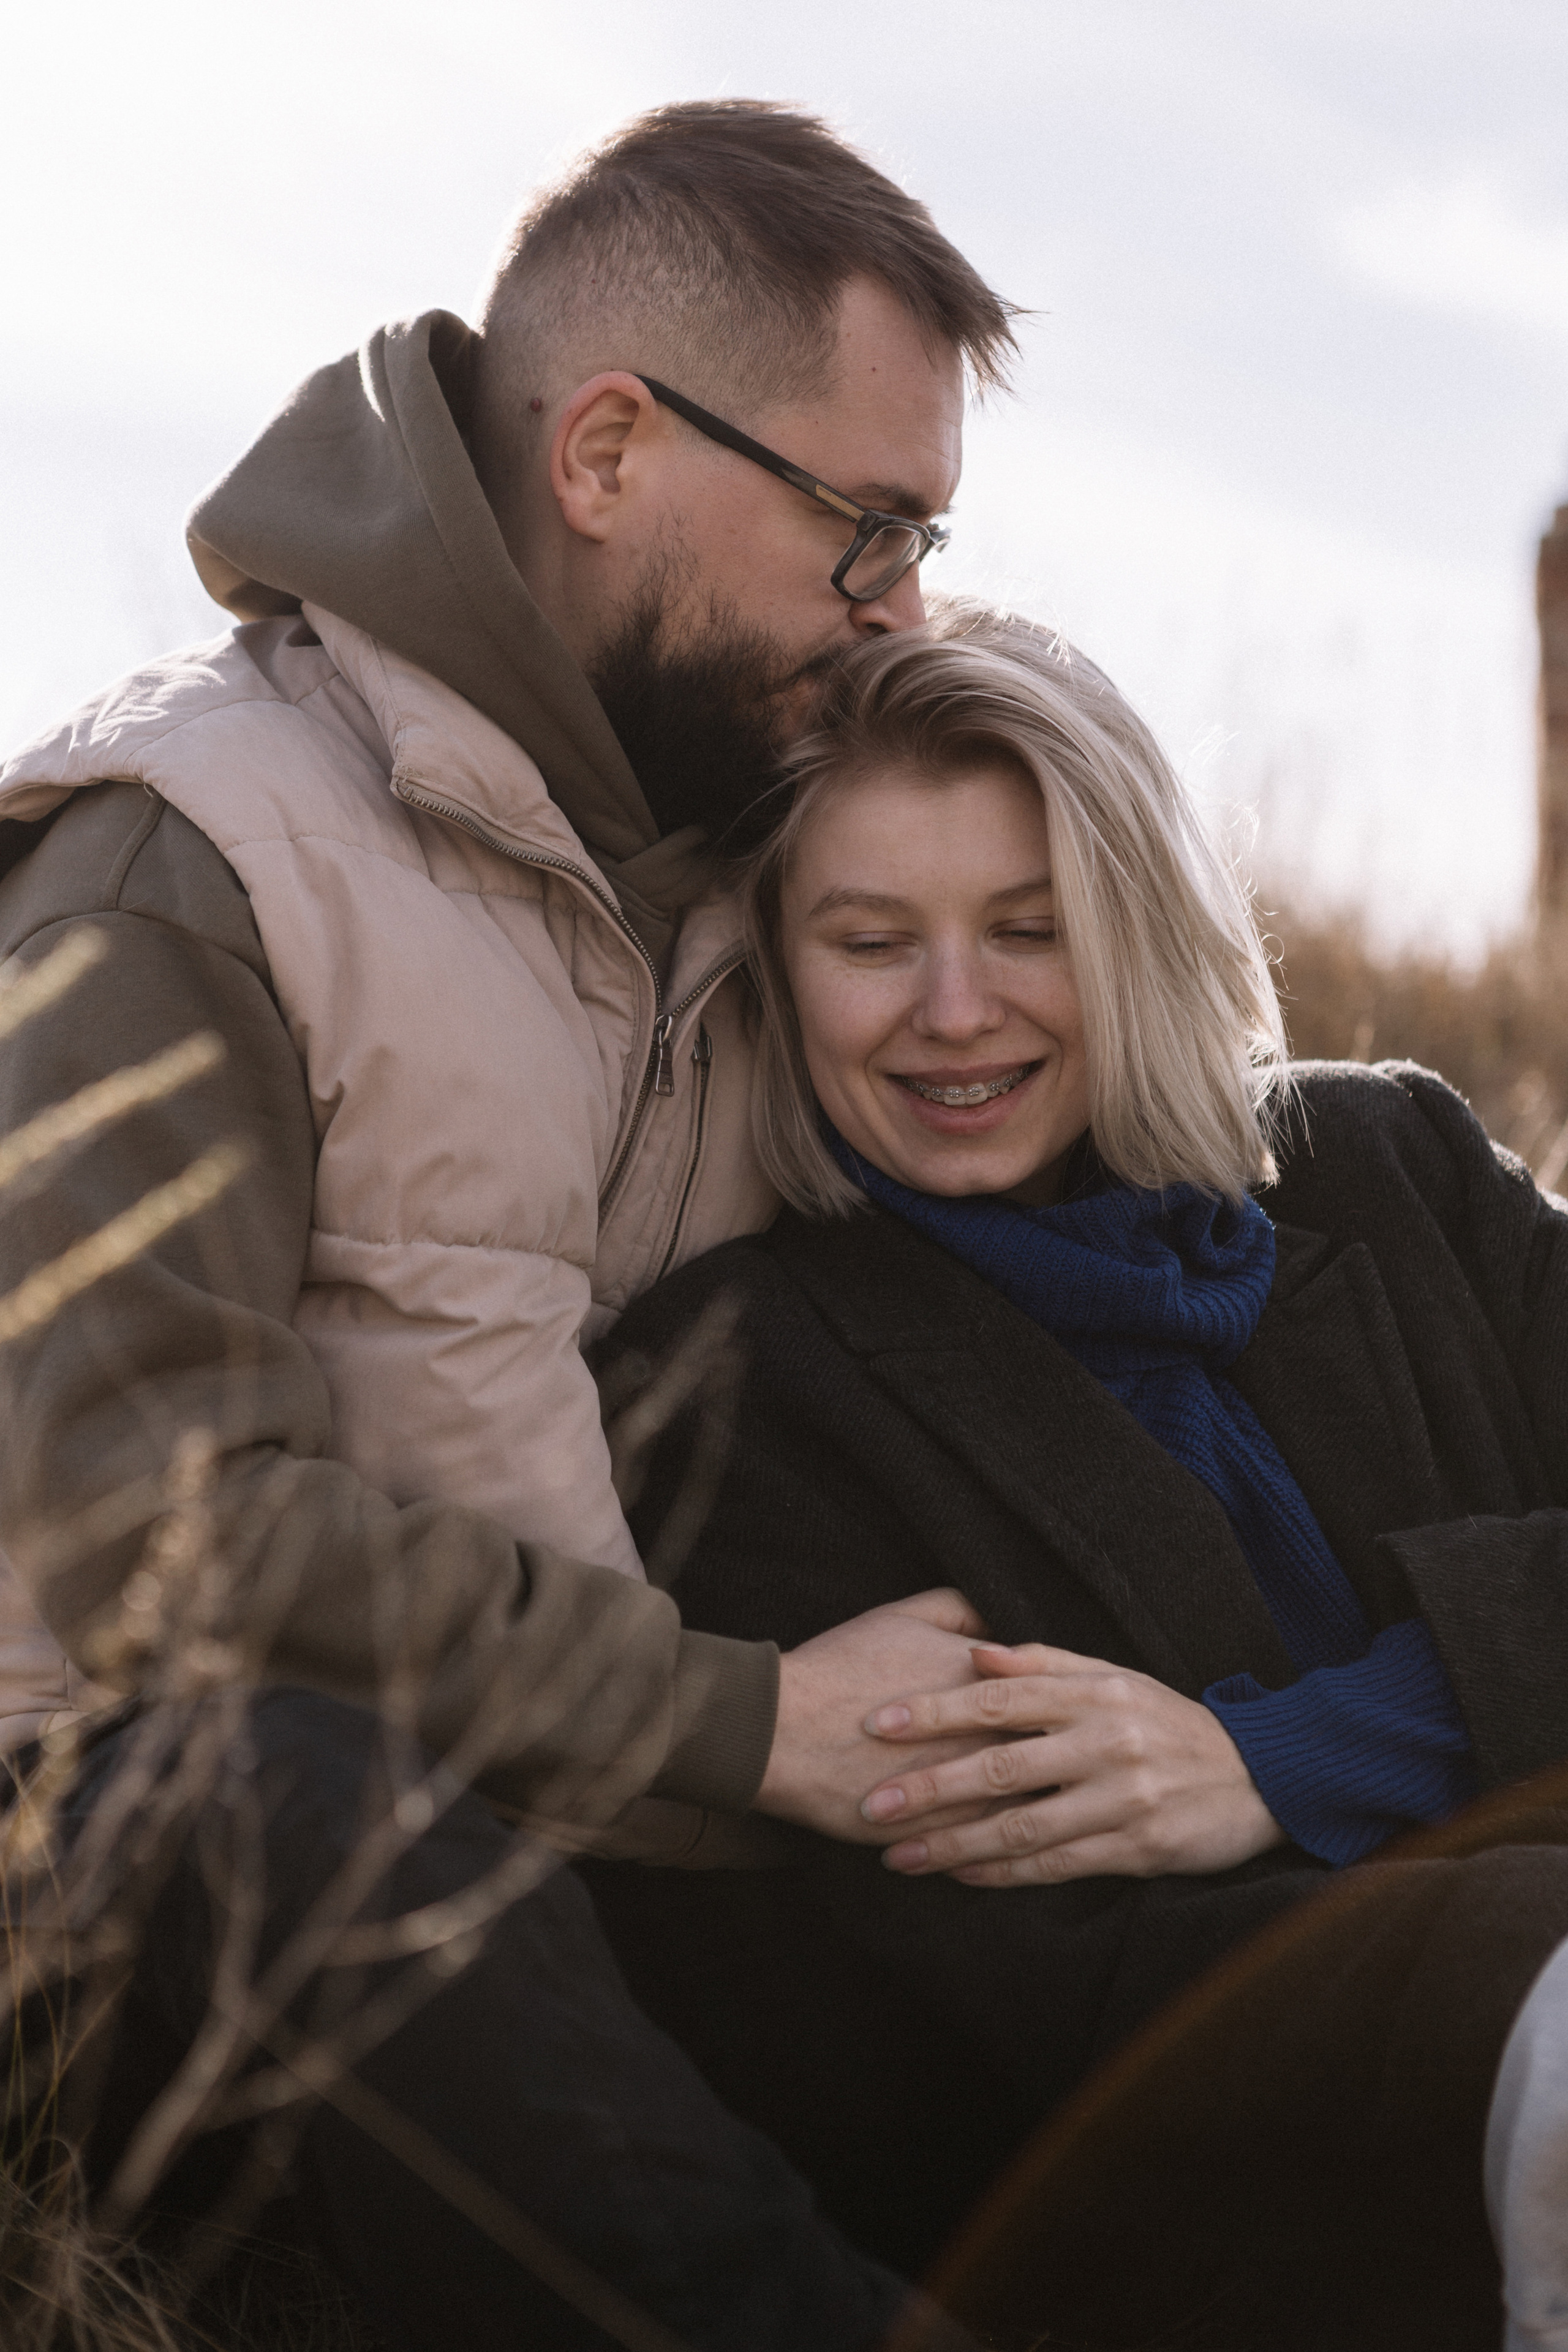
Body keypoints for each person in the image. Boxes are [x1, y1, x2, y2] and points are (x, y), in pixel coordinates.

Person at [0, 103, 1044, 2352]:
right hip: (106, 1889)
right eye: (868, 534)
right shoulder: (186, 857)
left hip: (589, 1823)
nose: (900, 612)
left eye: (927, 545)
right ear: (605, 454)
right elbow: (154, 1549)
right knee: (278, 1801)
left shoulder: (753, 870)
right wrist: (740, 1724)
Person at [587, 603, 1568, 2351]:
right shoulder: (734, 1387)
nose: (956, 1014)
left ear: (1137, 925)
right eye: (872, 941)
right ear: (774, 967)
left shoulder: (1394, 1165)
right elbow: (1020, 2009)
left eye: (1031, 929)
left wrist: (1296, 1753)